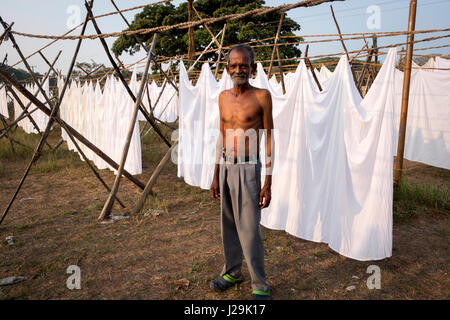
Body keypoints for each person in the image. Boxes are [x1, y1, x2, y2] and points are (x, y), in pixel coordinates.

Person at [209, 44, 274, 300]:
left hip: (248, 168)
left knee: (249, 228)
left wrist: (268, 180)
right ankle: (232, 272)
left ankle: (260, 284)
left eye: (244, 65)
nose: (239, 70)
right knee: (228, 225)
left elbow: (269, 138)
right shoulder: (222, 97)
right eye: (234, 65)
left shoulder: (261, 97)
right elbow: (221, 136)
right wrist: (215, 174)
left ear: (253, 68)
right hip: (225, 166)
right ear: (227, 69)